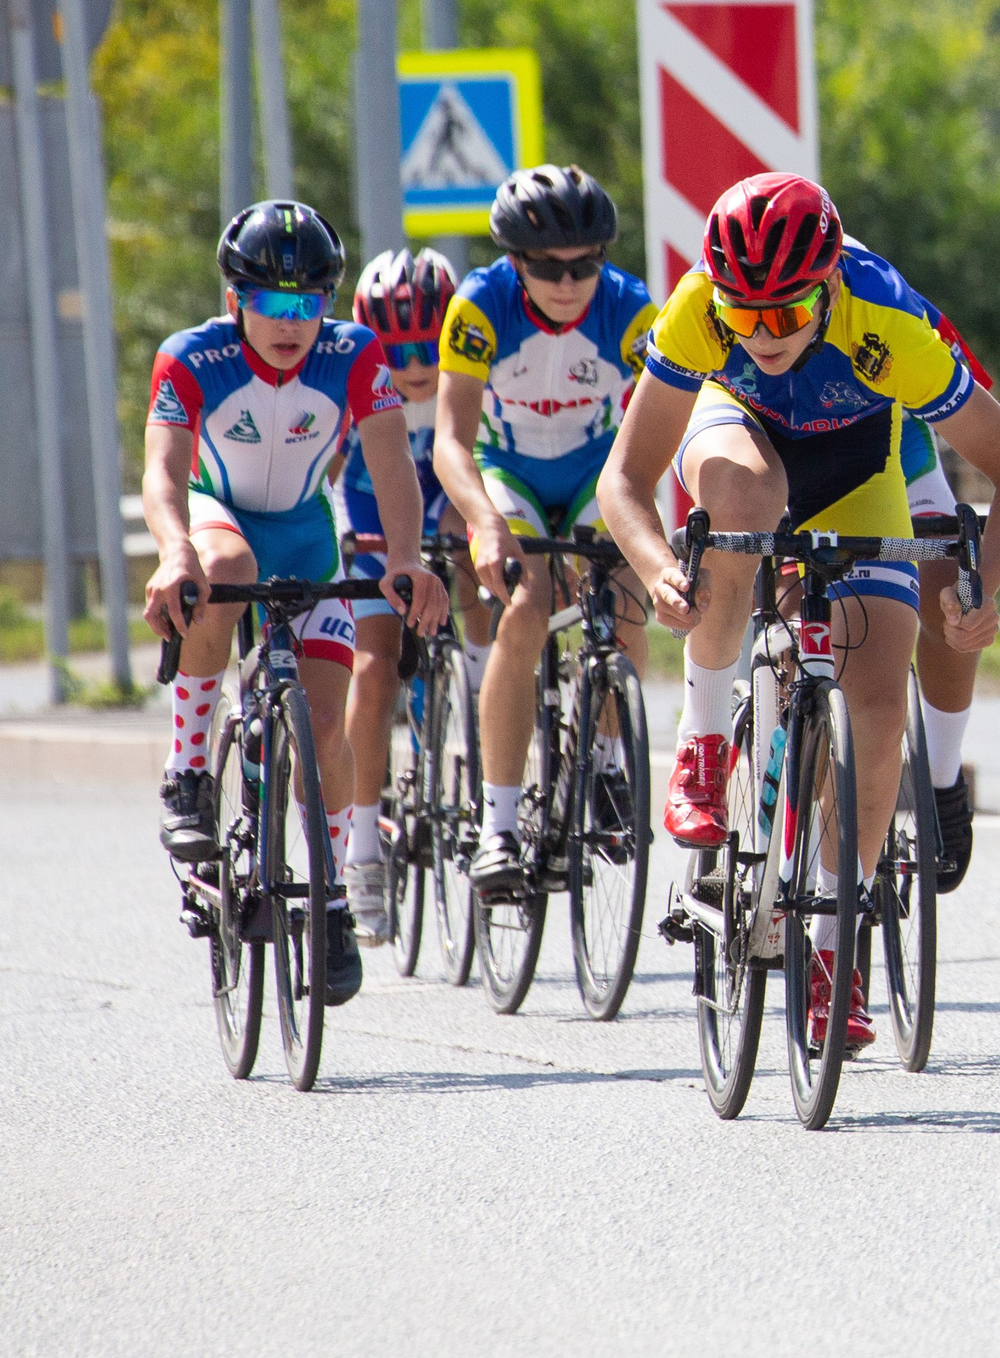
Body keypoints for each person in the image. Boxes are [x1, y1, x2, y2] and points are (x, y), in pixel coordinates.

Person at [598, 173, 1000, 1056]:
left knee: (881, 704)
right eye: (746, 315)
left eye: (786, 313)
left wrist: (976, 585)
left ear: (831, 285)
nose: (763, 333)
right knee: (740, 492)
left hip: (858, 463)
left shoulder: (886, 319)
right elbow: (622, 479)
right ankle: (701, 748)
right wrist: (658, 569)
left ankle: (831, 958)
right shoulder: (700, 308)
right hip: (744, 438)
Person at [139, 202, 450, 1005]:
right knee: (225, 562)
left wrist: (408, 561)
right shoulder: (191, 356)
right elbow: (164, 475)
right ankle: (189, 771)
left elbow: (391, 470)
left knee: (324, 724)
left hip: (309, 536)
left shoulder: (355, 356)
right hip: (221, 516)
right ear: (235, 296)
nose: (289, 322)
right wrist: (176, 550)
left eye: (307, 303)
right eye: (270, 303)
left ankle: (335, 898)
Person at [431, 165, 657, 894]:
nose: (568, 282)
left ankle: (610, 766)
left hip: (598, 470)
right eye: (547, 267)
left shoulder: (630, 310)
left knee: (625, 598)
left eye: (586, 264)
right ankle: (497, 827)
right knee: (525, 608)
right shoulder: (480, 306)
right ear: (514, 260)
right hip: (511, 472)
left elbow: (669, 422)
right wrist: (487, 524)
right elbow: (450, 442)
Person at [881, 268, 1000, 892]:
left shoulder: (900, 308)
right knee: (790, 604)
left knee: (949, 585)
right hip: (792, 463)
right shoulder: (731, 313)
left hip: (902, 457)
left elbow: (990, 441)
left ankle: (940, 777)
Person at [334, 247, 468, 944]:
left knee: (477, 562)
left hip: (441, 504)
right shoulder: (358, 381)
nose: (417, 364)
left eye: (431, 344)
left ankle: (470, 688)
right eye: (400, 347)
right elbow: (329, 478)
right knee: (376, 662)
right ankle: (361, 842)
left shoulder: (470, 377)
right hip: (372, 517)